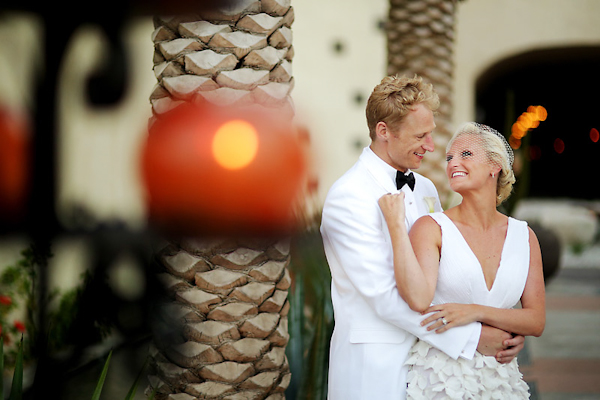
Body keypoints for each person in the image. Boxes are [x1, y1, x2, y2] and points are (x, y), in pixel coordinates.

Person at [320, 75, 525, 400]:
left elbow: (445, 273)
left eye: (430, 133)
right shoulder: (348, 197)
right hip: (376, 370)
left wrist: (499, 324)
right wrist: (473, 337)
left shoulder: (427, 188)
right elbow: (385, 297)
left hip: (435, 370)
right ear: (384, 131)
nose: (431, 146)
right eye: (421, 135)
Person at [378, 121, 545, 398]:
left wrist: (475, 312)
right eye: (449, 157)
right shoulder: (432, 227)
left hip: (501, 379)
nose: (454, 162)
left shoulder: (524, 236)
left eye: (466, 154)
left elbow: (536, 320)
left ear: (495, 166)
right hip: (442, 378)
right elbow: (419, 301)